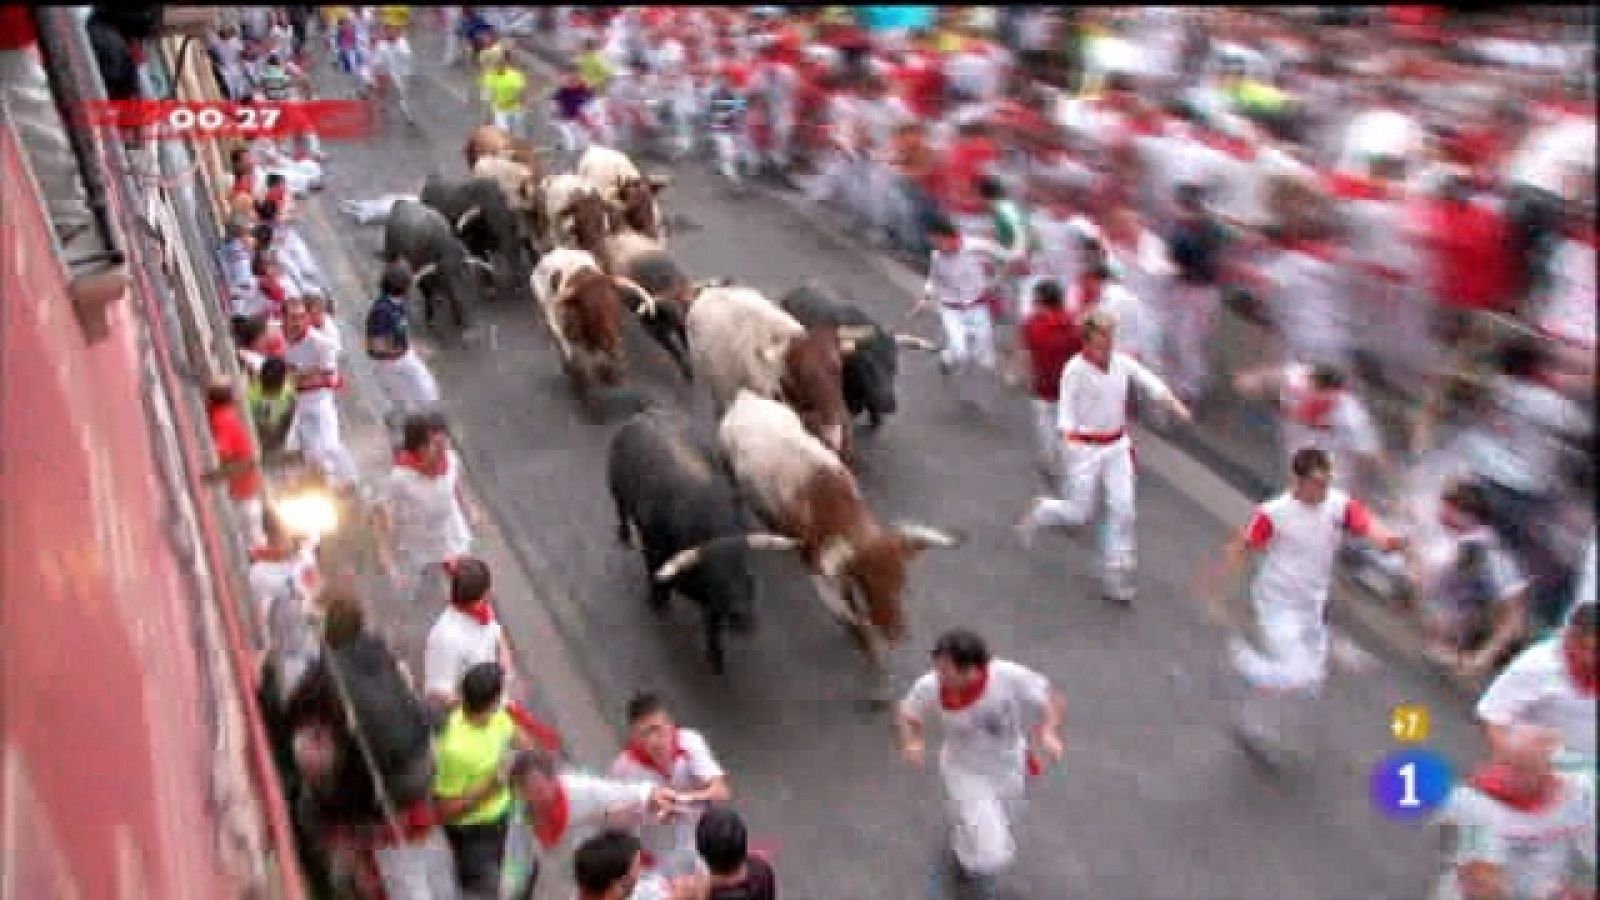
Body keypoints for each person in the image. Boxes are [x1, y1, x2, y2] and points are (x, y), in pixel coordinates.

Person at [1203, 444, 1407, 768]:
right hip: (1276, 603)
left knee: (1308, 682)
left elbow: (1367, 524)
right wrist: (1215, 589)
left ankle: (1256, 720)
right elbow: (1241, 549)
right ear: (1297, 480)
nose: (1323, 490)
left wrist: (1389, 539)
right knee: (1298, 673)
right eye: (1317, 483)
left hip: (1311, 604)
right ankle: (1248, 667)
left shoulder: (1337, 505)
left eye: (1327, 482)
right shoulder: (1275, 513)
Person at [1016, 310, 1192, 603]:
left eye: (1108, 342)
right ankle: (1042, 510)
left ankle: (1116, 574)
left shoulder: (1121, 362)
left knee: (1123, 508)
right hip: (1084, 448)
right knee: (1079, 513)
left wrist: (1173, 403)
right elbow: (1066, 413)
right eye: (1099, 343)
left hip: (1117, 446)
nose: (1105, 350)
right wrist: (1068, 445)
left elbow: (1148, 381)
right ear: (1085, 343)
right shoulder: (1074, 370)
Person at [896, 630, 1066, 897]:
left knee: (1003, 820)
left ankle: (965, 846)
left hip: (1009, 765)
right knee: (993, 853)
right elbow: (908, 713)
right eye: (938, 669)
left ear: (972, 669)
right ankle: (971, 868)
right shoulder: (930, 686)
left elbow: (1050, 698)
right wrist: (913, 742)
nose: (939, 677)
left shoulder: (1007, 676)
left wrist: (1049, 730)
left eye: (946, 672)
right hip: (965, 771)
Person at [1433, 725, 1596, 900]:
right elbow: (1481, 883)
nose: (1509, 777)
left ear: (1547, 768)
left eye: (1522, 768)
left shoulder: (1580, 790)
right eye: (1505, 763)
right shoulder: (1473, 804)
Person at [502, 748, 682, 898]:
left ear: (554, 780)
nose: (534, 798)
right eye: (525, 792)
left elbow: (625, 794)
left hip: (602, 881)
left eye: (539, 790)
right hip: (563, 887)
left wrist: (651, 795)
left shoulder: (580, 791)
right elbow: (516, 858)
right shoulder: (522, 814)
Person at [1414, 480, 1531, 680]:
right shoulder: (1453, 539)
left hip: (1482, 645)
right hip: (1452, 635)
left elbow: (1516, 617)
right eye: (1445, 505)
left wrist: (1483, 656)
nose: (1442, 513)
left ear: (1469, 515)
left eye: (1450, 508)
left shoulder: (1486, 550)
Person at [432, 662, 527, 899]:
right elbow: (444, 811)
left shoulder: (499, 717)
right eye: (502, 695)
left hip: (505, 816)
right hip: (472, 833)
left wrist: (523, 757)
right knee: (495, 891)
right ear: (491, 702)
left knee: (523, 878)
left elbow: (520, 742)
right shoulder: (454, 748)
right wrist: (490, 787)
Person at [610, 693, 731, 877]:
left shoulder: (690, 742)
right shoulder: (623, 767)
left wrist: (683, 799)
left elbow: (721, 793)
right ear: (634, 736)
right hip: (657, 859)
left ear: (670, 724)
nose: (652, 741)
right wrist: (647, 807)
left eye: (656, 729)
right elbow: (614, 820)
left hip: (700, 846)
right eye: (643, 734)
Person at [1476, 603, 1597, 777]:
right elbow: (1493, 718)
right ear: (1571, 636)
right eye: (1591, 649)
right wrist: (1520, 768)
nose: (1593, 660)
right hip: (1538, 772)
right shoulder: (1536, 666)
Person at [374, 413, 478, 608]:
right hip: (418, 542)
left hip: (449, 532)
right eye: (435, 446)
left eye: (445, 444)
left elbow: (455, 483)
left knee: (465, 582)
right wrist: (385, 553)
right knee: (419, 592)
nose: (442, 452)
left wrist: (468, 507)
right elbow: (380, 510)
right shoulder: (401, 478)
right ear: (420, 449)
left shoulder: (450, 459)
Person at [912, 216, 1012, 381]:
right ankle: (947, 359)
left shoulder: (978, 246)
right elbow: (933, 279)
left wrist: (998, 278)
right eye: (933, 243)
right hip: (951, 309)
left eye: (938, 242)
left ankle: (982, 390)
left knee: (984, 352)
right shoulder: (937, 256)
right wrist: (925, 298)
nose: (936, 247)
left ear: (949, 236)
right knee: (961, 350)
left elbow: (1006, 257)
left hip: (977, 305)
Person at [282, 296, 359, 487]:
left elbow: (328, 376)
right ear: (283, 318)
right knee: (290, 448)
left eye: (301, 316)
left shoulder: (321, 343)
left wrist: (297, 376)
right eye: (293, 317)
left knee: (330, 444)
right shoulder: (277, 336)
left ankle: (350, 483)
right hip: (289, 401)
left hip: (317, 399)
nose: (298, 322)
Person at [422, 556, 517, 712]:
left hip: (496, 699)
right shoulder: (445, 638)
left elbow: (496, 634)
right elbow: (439, 693)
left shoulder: (483, 610)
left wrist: (506, 663)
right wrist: (481, 709)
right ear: (483, 594)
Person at [366, 261, 441, 428]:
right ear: (403, 289)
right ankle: (401, 428)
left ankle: (427, 424)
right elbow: (374, 347)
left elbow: (400, 332)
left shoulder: (395, 304)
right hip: (391, 365)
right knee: (406, 407)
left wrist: (411, 348)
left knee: (428, 391)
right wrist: (399, 351)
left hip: (404, 357)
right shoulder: (382, 312)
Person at [1018, 279, 1078, 483]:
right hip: (1069, 387)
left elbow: (1026, 355)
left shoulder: (1032, 325)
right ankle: (1068, 465)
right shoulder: (1073, 324)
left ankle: (1048, 462)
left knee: (1046, 427)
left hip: (1043, 387)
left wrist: (1025, 378)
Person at [203, 379, 267, 547]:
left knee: (248, 535)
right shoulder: (225, 413)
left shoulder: (221, 419)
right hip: (245, 485)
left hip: (242, 487)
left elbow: (221, 451)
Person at [248, 355, 298, 461]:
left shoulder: (290, 396)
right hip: (259, 441)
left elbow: (290, 425)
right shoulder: (252, 394)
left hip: (280, 443)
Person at [368, 21, 415, 123]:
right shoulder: (382, 45)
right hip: (390, 73)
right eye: (387, 31)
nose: (390, 33)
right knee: (392, 92)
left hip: (403, 73)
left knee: (403, 93)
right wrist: (376, 72)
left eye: (392, 30)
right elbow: (378, 61)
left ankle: (405, 110)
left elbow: (408, 56)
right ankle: (402, 111)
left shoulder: (402, 42)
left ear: (396, 32)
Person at [479, 47, 528, 136]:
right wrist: (486, 116)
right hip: (499, 110)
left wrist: (523, 105)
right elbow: (487, 97)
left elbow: (521, 92)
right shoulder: (489, 78)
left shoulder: (515, 76)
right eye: (494, 64)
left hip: (515, 108)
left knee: (518, 130)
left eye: (499, 63)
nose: (496, 66)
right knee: (503, 131)